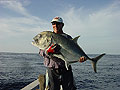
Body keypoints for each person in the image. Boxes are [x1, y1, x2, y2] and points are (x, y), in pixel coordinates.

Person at [39, 16, 86, 90]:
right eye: (54, 23)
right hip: (52, 69)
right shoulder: (48, 37)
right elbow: (41, 52)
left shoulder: (68, 37)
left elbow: (73, 52)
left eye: (58, 23)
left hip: (65, 68)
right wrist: (47, 52)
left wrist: (79, 59)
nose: (56, 26)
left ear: (62, 25)